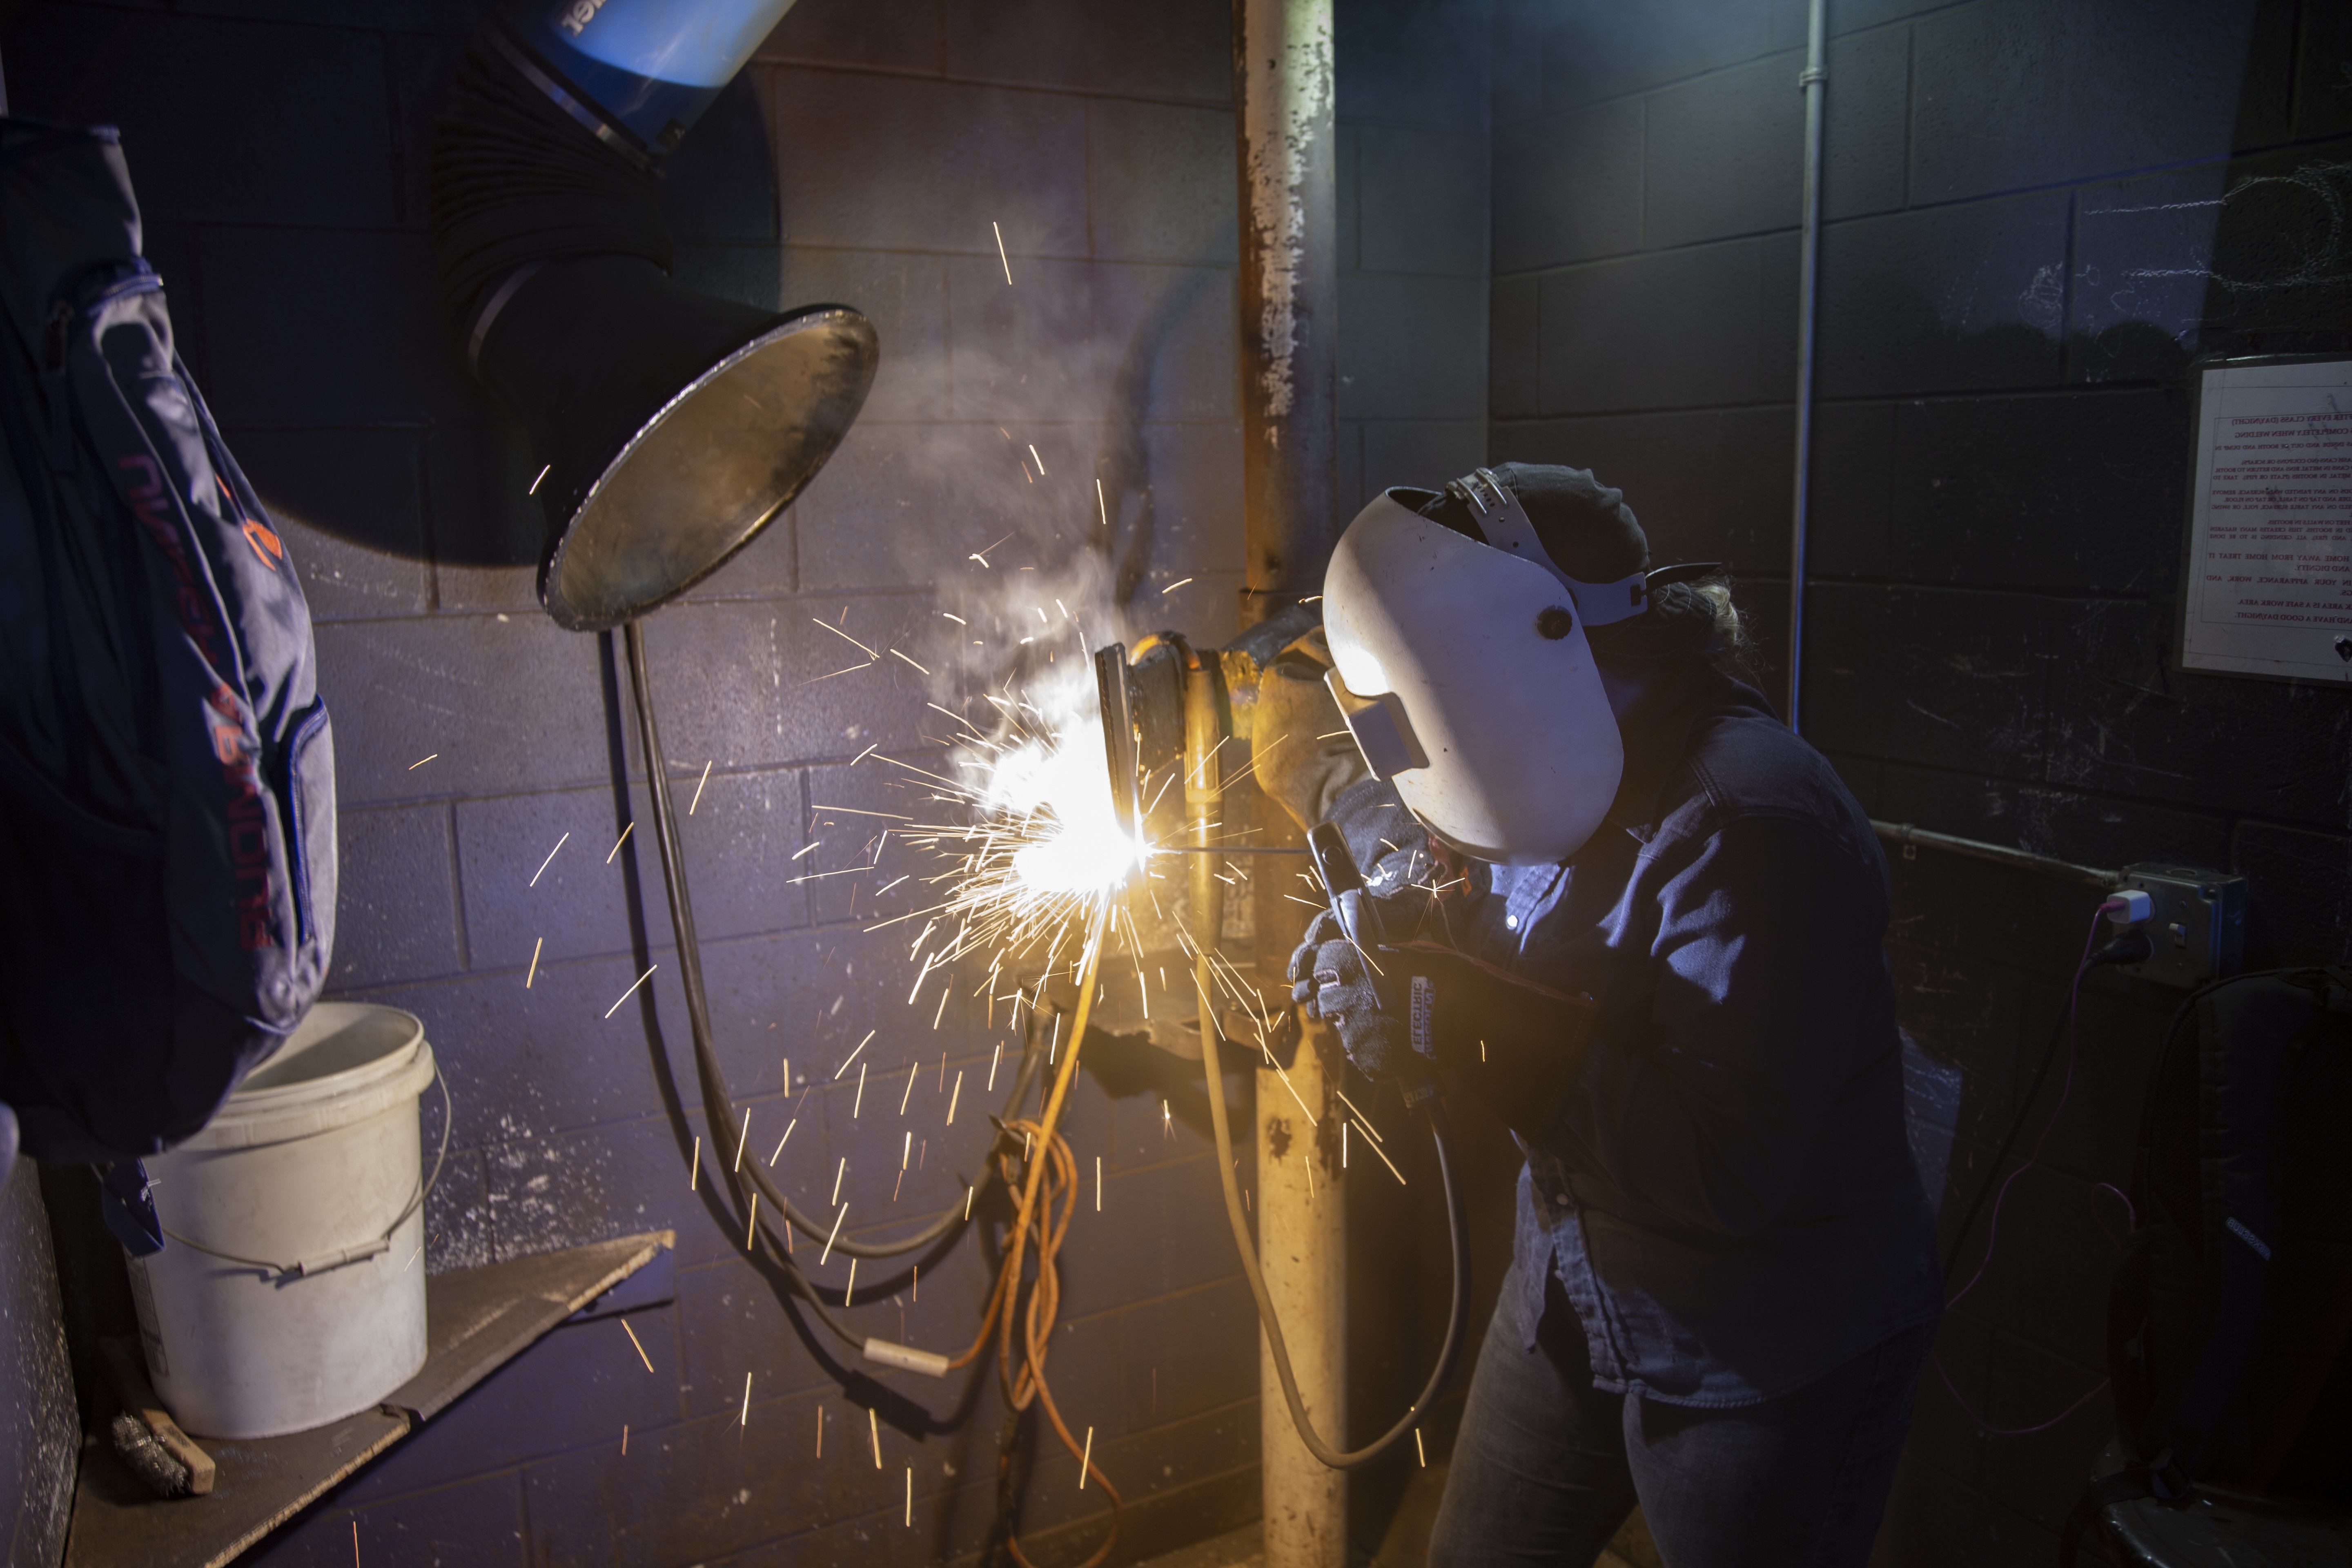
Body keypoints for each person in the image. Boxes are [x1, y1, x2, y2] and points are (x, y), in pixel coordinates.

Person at [1256, 464, 1941, 1567]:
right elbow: (1459, 881)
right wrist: (1394, 937)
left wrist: (1459, 1021)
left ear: (1521, 652)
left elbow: (1725, 1171)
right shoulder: (1541, 755)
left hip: (1762, 1345)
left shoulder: (1750, 823)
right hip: (1576, 1280)